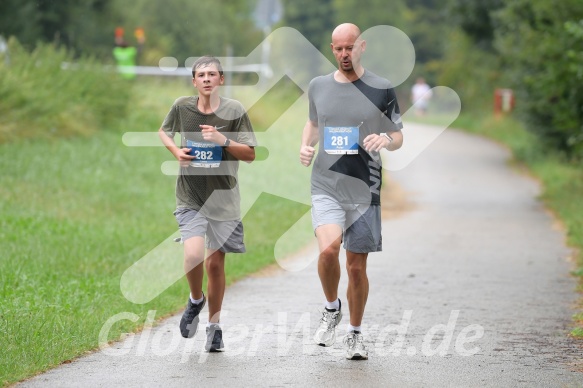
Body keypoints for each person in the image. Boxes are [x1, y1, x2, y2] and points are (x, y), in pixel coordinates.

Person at [299, 23, 403, 360]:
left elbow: (398, 135)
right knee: (328, 250)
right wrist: (305, 145)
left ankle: (355, 334)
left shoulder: (381, 88)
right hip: (326, 184)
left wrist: (385, 139)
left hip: (364, 186)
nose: (344, 54)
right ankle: (332, 308)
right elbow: (314, 122)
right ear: (332, 48)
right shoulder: (318, 86)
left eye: (350, 48)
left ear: (361, 46)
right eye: (338, 49)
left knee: (357, 268)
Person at [158, 56, 257, 352]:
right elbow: (164, 131)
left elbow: (251, 154)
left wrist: (221, 140)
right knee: (193, 255)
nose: (206, 79)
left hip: (223, 199)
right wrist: (176, 151)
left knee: (215, 264)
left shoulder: (234, 111)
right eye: (201, 74)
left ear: (221, 79)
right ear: (194, 81)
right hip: (191, 195)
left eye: (212, 74)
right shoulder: (182, 107)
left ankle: (214, 328)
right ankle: (195, 299)